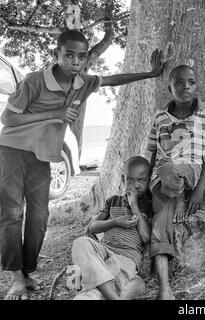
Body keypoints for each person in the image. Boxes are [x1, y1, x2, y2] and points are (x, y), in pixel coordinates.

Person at [0, 29, 165, 300]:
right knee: (12, 213)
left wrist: (150, 74)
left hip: (42, 155)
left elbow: (113, 80)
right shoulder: (34, 81)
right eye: (69, 55)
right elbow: (8, 118)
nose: (75, 61)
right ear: (58, 54)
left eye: (81, 56)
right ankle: (17, 278)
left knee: (39, 216)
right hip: (12, 149)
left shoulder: (83, 83)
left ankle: (28, 271)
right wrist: (54, 113)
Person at [144, 65, 205, 299]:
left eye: (190, 82)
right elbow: (150, 152)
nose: (185, 86)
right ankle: (165, 288)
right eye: (178, 82)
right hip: (161, 177)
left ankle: (179, 197)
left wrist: (198, 190)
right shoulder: (160, 116)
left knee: (171, 169)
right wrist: (145, 186)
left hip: (190, 171)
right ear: (170, 88)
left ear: (197, 87)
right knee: (159, 225)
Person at [71, 156, 152, 300]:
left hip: (125, 258)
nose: (136, 185)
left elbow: (146, 237)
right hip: (103, 252)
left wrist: (134, 206)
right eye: (130, 180)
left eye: (141, 180)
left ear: (149, 180)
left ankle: (99, 294)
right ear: (123, 179)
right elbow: (92, 228)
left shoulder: (149, 205)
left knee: (92, 293)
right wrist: (114, 222)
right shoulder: (113, 200)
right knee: (80, 243)